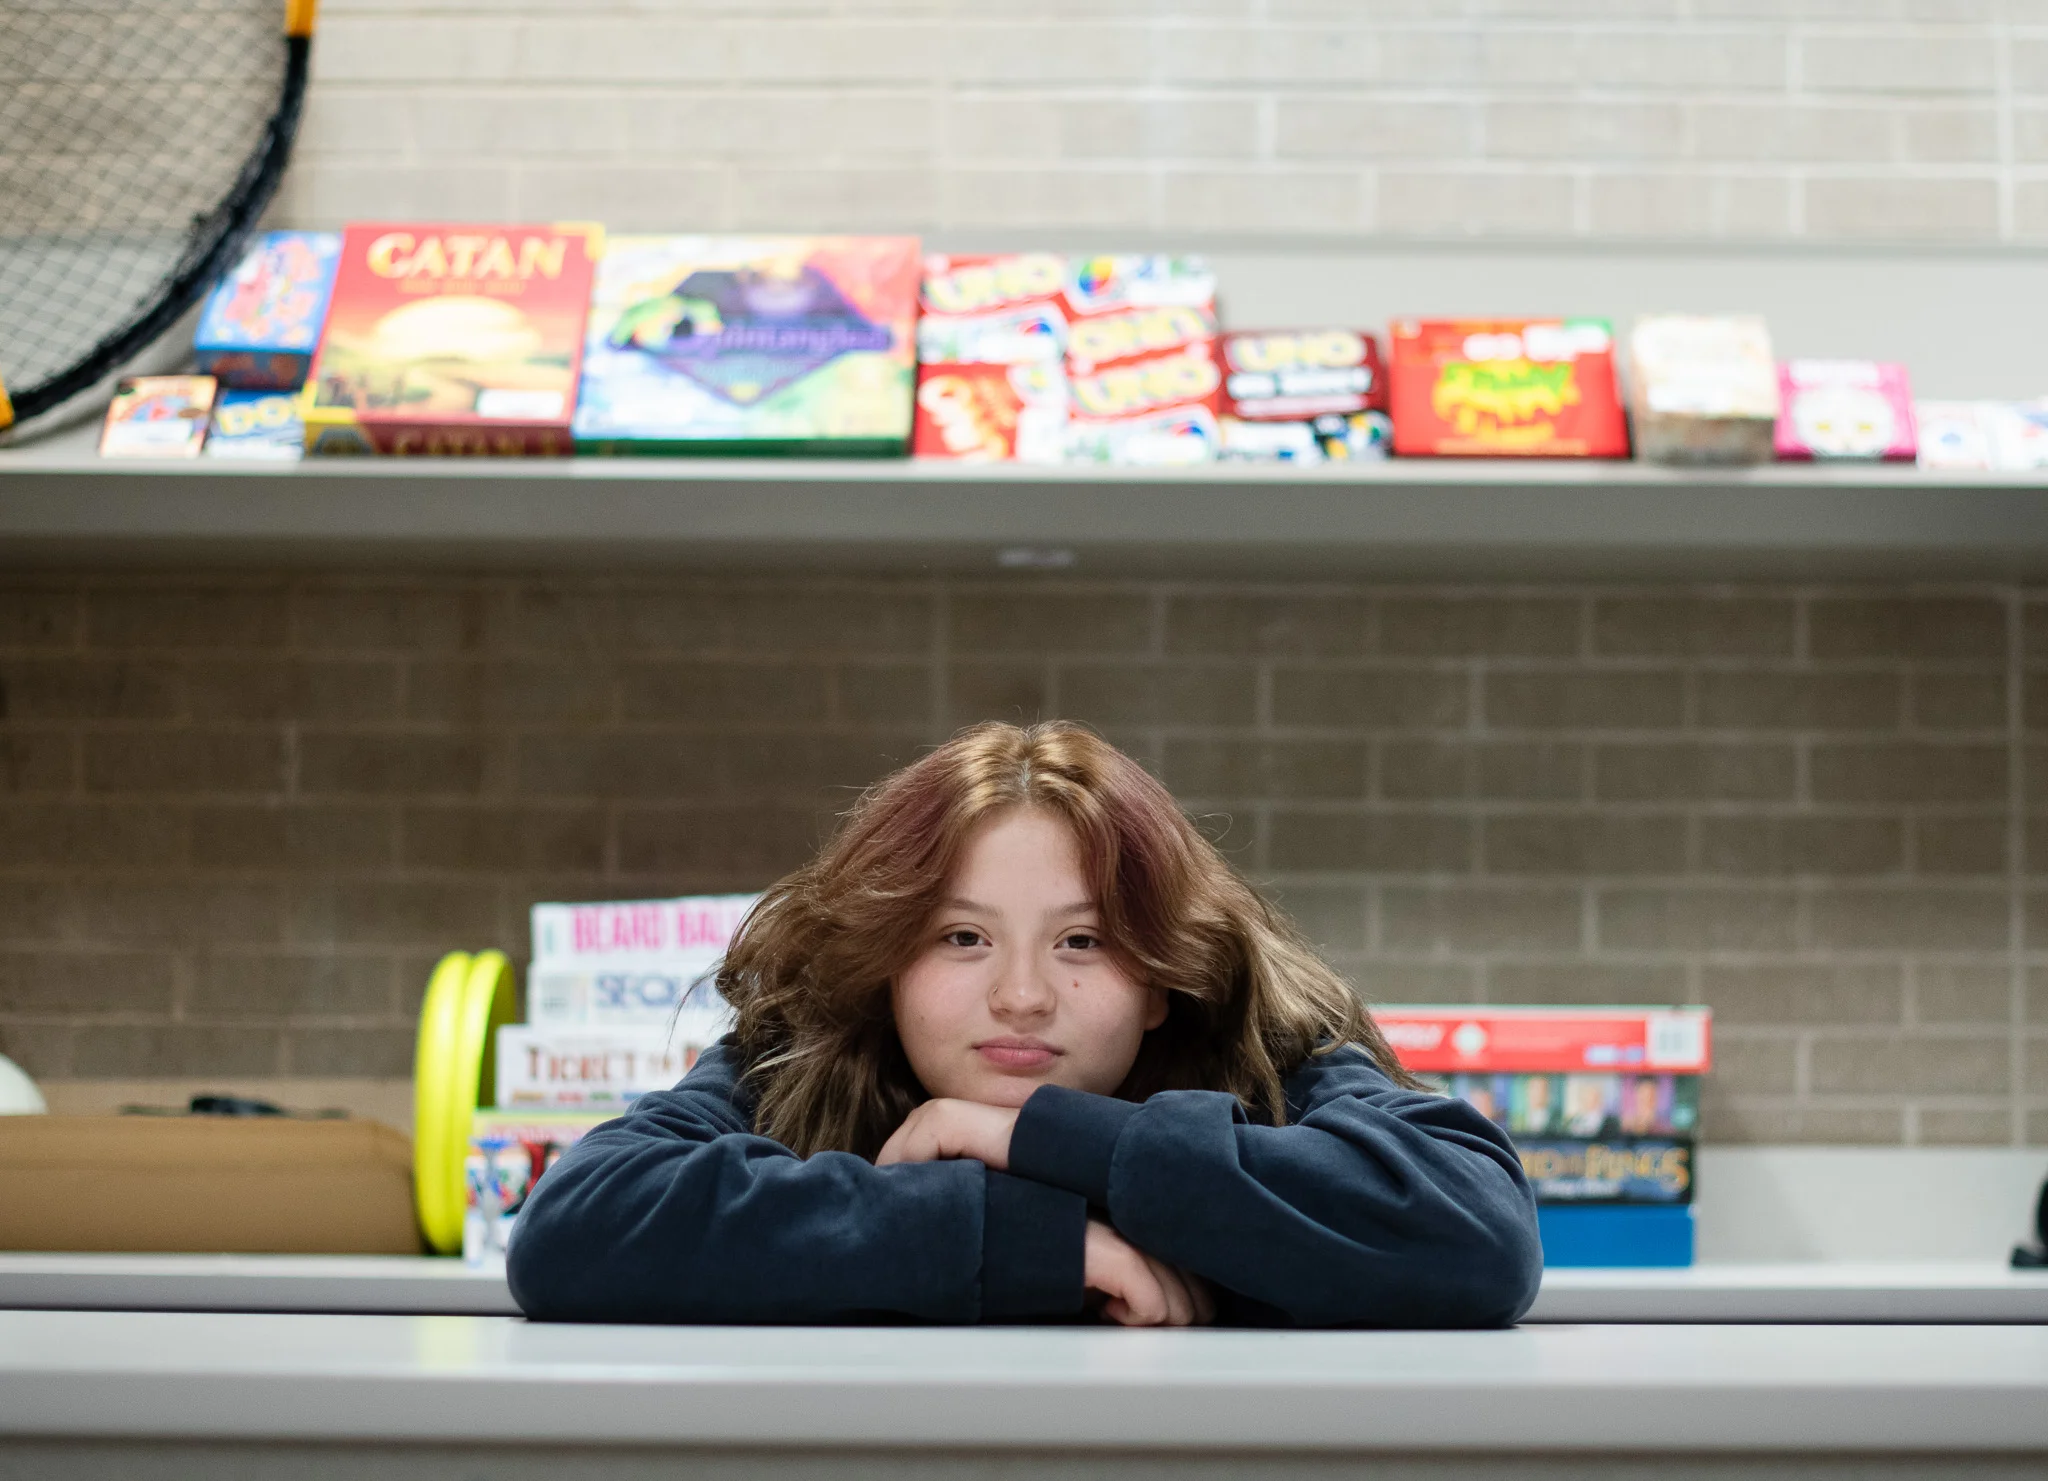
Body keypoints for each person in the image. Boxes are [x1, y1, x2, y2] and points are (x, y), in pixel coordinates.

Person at [507, 722, 1542, 1328]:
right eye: (960, 937)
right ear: (885, 962)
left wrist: (1034, 1135)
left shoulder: (1258, 1048)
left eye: (1082, 942)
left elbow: (1479, 1231)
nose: (1019, 995)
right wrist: (1031, 1239)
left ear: (1161, 975)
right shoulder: (808, 1053)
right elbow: (573, 1227)